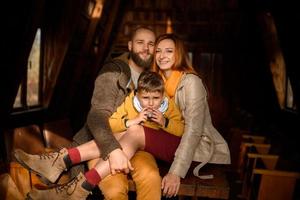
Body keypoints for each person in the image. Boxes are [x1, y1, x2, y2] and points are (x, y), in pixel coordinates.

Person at [14, 26, 163, 200]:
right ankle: (58, 165)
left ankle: (57, 162)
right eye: (140, 43)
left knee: (151, 177)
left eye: (151, 44)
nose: (146, 48)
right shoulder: (113, 72)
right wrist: (113, 150)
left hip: (139, 146)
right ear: (129, 46)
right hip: (105, 144)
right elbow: (96, 116)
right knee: (115, 189)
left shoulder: (153, 78)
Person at [14, 71, 185, 199]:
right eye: (145, 98)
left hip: (158, 149)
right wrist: (130, 121)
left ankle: (71, 173)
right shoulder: (130, 103)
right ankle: (61, 166)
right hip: (132, 147)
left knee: (132, 136)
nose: (151, 103)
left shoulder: (167, 106)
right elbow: (110, 124)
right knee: (123, 132)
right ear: (137, 94)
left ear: (162, 96)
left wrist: (165, 123)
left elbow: (182, 131)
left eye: (156, 98)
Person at [151, 33, 231, 197]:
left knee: (136, 134)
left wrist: (176, 172)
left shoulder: (191, 82)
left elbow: (193, 130)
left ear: (178, 54)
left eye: (168, 51)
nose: (162, 55)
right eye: (158, 51)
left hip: (199, 151)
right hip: (173, 140)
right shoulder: (157, 83)